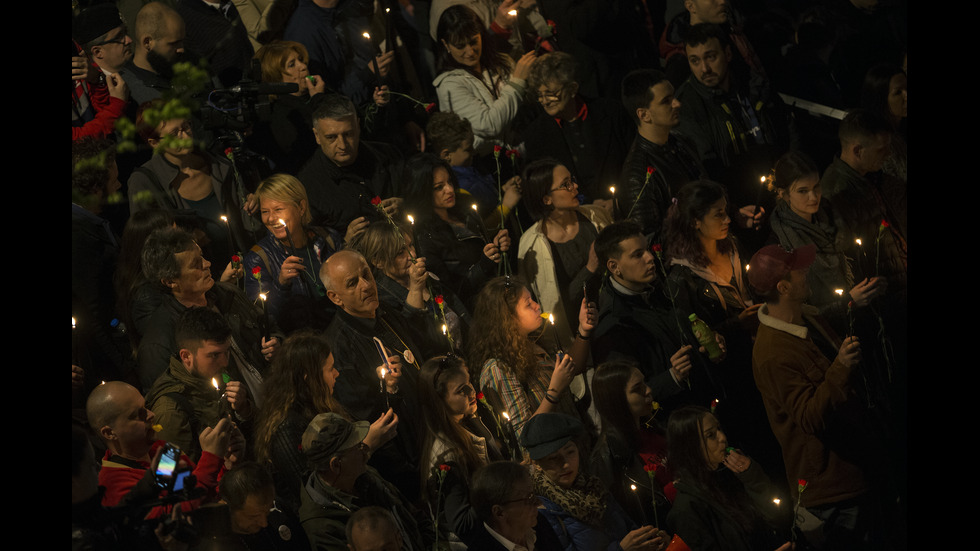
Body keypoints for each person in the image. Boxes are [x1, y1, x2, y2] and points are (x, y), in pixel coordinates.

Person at [748, 244, 886, 550]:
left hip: (856, 468)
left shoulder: (805, 318)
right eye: (799, 270)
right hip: (833, 490)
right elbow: (810, 417)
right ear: (783, 287)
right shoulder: (772, 353)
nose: (806, 272)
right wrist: (841, 367)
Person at [320, 249, 432, 501]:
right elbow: (366, 419)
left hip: (431, 432)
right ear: (335, 297)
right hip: (410, 460)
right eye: (353, 283)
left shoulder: (384, 312)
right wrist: (388, 390)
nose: (367, 285)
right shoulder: (339, 349)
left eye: (366, 275)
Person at [253, 332, 397, 518]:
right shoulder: (286, 430)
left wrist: (390, 392)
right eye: (330, 369)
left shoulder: (320, 404)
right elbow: (313, 488)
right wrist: (365, 447)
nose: (337, 373)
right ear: (308, 378)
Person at [592, 222, 723, 416]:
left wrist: (707, 343)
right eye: (637, 255)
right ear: (614, 266)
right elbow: (624, 398)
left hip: (706, 404)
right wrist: (672, 377)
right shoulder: (614, 325)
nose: (650, 257)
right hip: (676, 423)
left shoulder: (654, 288)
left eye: (647, 249)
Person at [137, 228, 279, 393]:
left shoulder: (228, 294)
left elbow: (271, 327)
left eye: (202, 257)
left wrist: (276, 342)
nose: (207, 264)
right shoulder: (159, 343)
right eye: (196, 264)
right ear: (170, 281)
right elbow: (173, 401)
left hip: (274, 394)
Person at [675, 24, 794, 202]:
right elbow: (706, 169)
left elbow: (787, 128)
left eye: (711, 57)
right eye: (695, 61)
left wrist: (793, 178)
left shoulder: (753, 83)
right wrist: (733, 208)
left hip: (781, 192)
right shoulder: (688, 106)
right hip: (739, 206)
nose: (704, 68)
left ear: (728, 54)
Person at [767, 151, 883, 328]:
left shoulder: (832, 213)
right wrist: (848, 302)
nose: (814, 197)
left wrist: (871, 286)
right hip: (835, 334)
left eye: (816, 187)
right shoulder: (780, 245)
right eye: (803, 191)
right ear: (784, 194)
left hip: (867, 319)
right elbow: (801, 312)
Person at [128, 100, 252, 265]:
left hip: (240, 268)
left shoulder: (217, 166)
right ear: (155, 143)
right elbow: (147, 244)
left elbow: (245, 224)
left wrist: (254, 204)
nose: (185, 137)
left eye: (186, 127)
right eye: (174, 134)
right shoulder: (144, 182)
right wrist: (184, 240)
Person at [469, 276, 596, 436]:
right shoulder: (498, 369)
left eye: (533, 300)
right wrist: (554, 391)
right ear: (508, 318)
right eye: (528, 304)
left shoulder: (533, 342)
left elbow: (572, 367)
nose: (537, 306)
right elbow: (525, 434)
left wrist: (583, 331)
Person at [522, 413, 669, 551]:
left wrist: (650, 540)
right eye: (553, 458)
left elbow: (629, 528)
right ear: (536, 464)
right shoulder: (542, 512)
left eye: (570, 452)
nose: (566, 464)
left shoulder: (593, 486)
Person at [86, 381, 232, 516]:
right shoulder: (112, 485)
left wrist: (225, 463)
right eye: (138, 414)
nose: (151, 415)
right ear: (110, 433)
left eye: (146, 408)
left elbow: (200, 492)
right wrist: (212, 457)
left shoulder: (161, 451)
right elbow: (172, 514)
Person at [298, 413, 431, 550]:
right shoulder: (322, 527)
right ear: (336, 465)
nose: (365, 451)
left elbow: (415, 518)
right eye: (357, 446)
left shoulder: (365, 475)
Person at [665, 406, 790, 551]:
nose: (723, 438)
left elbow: (779, 517)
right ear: (690, 447)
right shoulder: (687, 510)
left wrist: (753, 478)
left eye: (719, 429)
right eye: (711, 435)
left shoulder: (728, 475)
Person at [518, 158, 611, 349]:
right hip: (581, 337)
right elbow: (554, 303)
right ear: (547, 199)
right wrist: (590, 268)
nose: (575, 187)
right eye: (566, 185)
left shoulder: (595, 216)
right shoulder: (533, 245)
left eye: (572, 180)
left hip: (615, 315)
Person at [522, 52, 634, 206]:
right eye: (539, 95)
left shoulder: (612, 113)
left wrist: (620, 199)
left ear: (573, 88)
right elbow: (544, 189)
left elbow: (634, 163)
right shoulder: (536, 135)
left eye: (551, 94)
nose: (544, 101)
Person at [405, 153, 510, 311]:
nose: (449, 189)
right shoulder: (426, 236)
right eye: (438, 187)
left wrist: (497, 245)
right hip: (479, 309)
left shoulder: (465, 211)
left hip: (499, 294)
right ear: (423, 192)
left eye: (449, 182)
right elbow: (450, 292)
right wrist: (483, 265)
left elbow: (481, 247)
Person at [244, 174, 348, 332]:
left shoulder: (328, 239)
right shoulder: (258, 259)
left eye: (278, 209)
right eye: (265, 211)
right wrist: (280, 285)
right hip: (305, 345)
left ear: (301, 207)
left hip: (345, 332)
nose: (271, 218)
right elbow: (261, 318)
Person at [144, 307, 251, 461]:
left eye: (227, 351)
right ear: (186, 356)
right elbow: (170, 478)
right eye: (214, 355)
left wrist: (243, 409)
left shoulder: (211, 374)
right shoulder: (169, 411)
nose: (225, 362)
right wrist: (218, 464)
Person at [820, 110, 906, 295]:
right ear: (858, 151)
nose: (889, 154)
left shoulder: (873, 176)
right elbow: (849, 259)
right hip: (886, 296)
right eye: (881, 149)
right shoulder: (837, 193)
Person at [433, 5, 537, 156]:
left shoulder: (501, 62)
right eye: (460, 46)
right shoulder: (449, 85)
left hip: (523, 150)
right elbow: (489, 125)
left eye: (474, 41)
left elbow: (526, 104)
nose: (470, 52)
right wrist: (517, 83)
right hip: (491, 164)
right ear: (445, 44)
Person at [350, 220, 470, 348]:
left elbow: (460, 310)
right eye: (400, 252)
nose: (412, 254)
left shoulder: (427, 276)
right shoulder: (382, 300)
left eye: (411, 245)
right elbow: (415, 338)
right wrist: (416, 289)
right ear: (378, 262)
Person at [297, 94, 405, 234]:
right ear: (317, 136)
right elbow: (312, 244)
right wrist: (345, 244)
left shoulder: (389, 156)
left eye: (348, 134)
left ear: (358, 127)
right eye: (332, 137)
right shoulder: (308, 186)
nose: (342, 145)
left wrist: (405, 205)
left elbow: (422, 198)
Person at [619, 69, 705, 238]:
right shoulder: (638, 177)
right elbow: (652, 242)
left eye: (673, 96)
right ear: (644, 114)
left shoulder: (681, 142)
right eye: (666, 101)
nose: (677, 104)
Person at [590, 361, 673, 528]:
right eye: (637, 389)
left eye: (644, 382)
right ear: (617, 400)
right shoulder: (607, 457)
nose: (648, 390)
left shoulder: (651, 426)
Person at [250, 41, 330, 174]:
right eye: (292, 65)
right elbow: (318, 142)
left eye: (300, 60)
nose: (303, 66)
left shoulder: (314, 95)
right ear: (275, 78)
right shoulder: (281, 116)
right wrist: (318, 100)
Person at [465, 461, 564, 551]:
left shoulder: (539, 523)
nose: (537, 503)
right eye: (528, 498)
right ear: (499, 512)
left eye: (533, 494)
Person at [114, 208, 176, 351]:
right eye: (174, 235)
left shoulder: (161, 277)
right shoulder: (147, 297)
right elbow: (166, 345)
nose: (183, 240)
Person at [219, 461, 311, 550]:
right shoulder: (220, 543)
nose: (264, 523)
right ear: (228, 508)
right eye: (253, 516)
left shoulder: (280, 511)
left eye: (267, 512)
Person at [125, 2, 186, 104]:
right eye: (173, 44)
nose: (181, 49)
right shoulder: (131, 94)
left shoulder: (191, 63)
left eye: (182, 41)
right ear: (147, 42)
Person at [860, 64, 907, 183]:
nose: (906, 96)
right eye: (898, 93)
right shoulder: (879, 141)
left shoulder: (900, 128)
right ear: (881, 98)